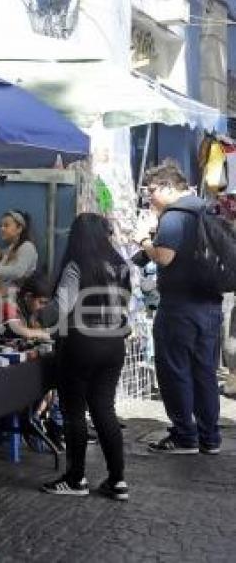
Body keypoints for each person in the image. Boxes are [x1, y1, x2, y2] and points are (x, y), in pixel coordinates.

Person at [37, 213, 131, 501]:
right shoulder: (120, 265)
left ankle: (75, 478)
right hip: (113, 344)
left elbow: (60, 307)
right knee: (104, 409)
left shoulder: (77, 266)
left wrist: (43, 315)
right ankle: (117, 481)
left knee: (74, 411)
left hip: (81, 343)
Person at [134, 160, 223, 455]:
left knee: (175, 371)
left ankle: (185, 435)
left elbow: (163, 257)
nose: (150, 199)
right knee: (205, 373)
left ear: (168, 187)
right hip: (210, 306)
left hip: (180, 308)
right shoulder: (205, 208)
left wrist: (145, 239)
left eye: (152, 192)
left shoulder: (175, 216)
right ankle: (210, 438)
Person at [0, 210, 38, 286]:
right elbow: (1, 272)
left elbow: (18, 272)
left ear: (19, 229)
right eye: (1, 226)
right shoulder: (10, 249)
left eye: (6, 225)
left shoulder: (27, 247)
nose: (2, 229)